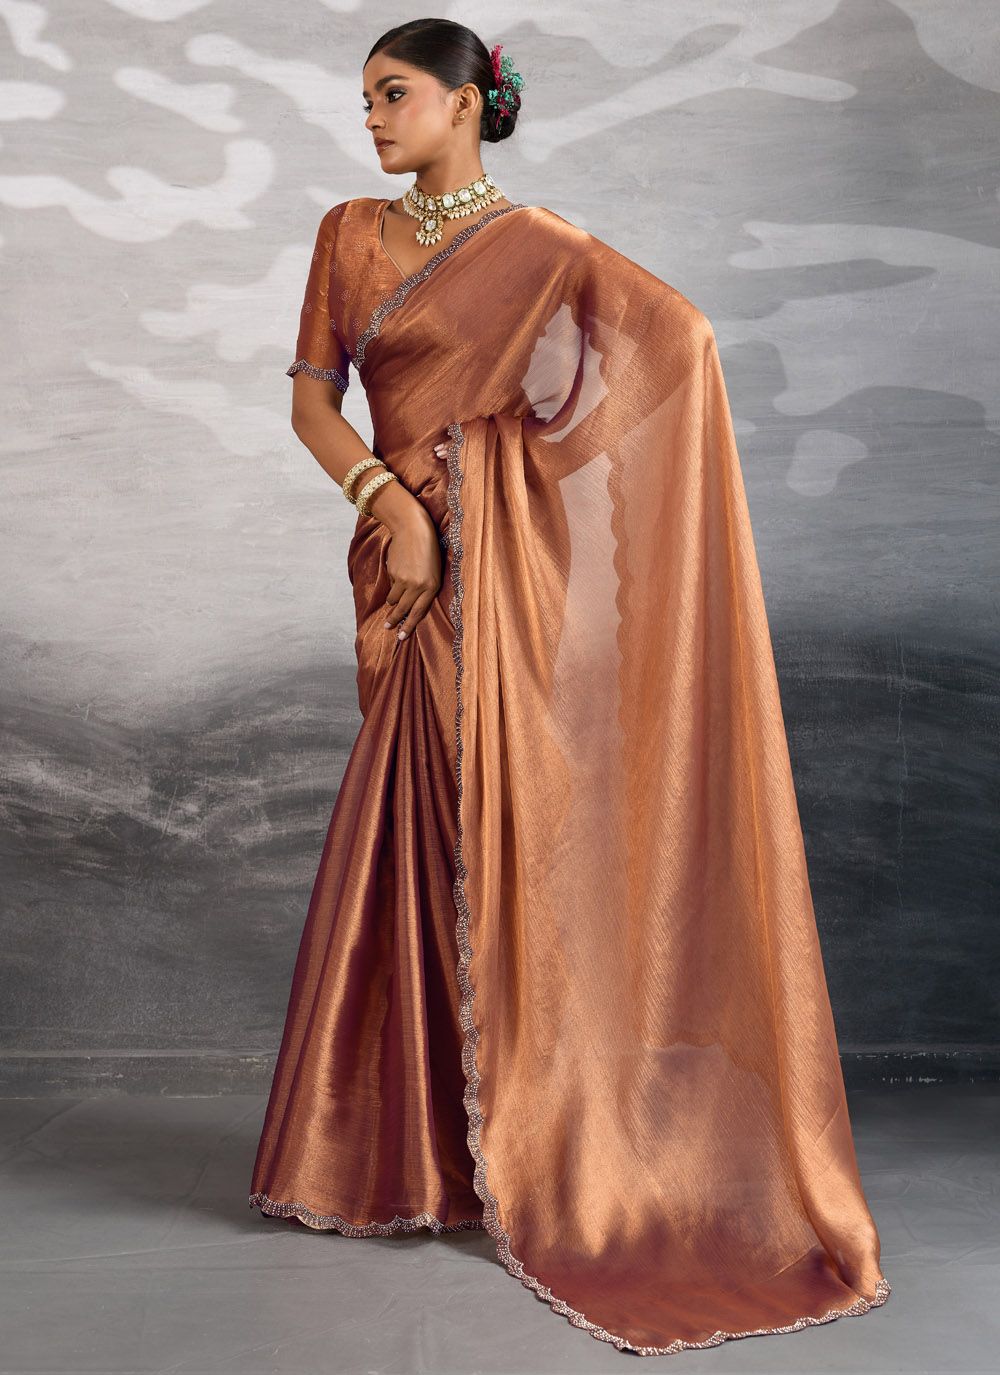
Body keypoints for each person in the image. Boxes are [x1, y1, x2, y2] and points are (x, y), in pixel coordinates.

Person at [249, 16, 891, 1357]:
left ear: (467, 104)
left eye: (394, 95)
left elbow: (673, 346)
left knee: (500, 832)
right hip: (407, 566)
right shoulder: (349, 234)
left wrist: (495, 476)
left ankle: (513, 1141)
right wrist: (390, 502)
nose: (371, 119)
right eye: (365, 99)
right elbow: (312, 401)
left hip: (503, 575)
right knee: (412, 830)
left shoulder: (541, 249)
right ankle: (407, 1154)